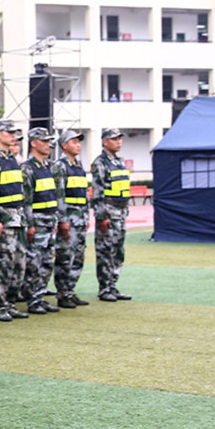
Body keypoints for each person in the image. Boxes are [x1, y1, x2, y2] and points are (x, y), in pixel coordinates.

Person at [0, 119, 29, 322]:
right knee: (2, 263)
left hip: (18, 218)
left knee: (18, 263)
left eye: (14, 133)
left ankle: (10, 303)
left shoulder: (12, 158)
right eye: (9, 132)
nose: (13, 136)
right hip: (4, 218)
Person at [20, 128, 61, 314]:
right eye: (44, 141)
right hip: (37, 222)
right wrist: (30, 225)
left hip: (49, 221)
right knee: (34, 263)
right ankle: (33, 299)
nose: (48, 145)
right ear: (33, 143)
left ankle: (40, 295)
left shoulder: (48, 167)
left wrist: (56, 220)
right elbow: (26, 200)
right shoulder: (28, 168)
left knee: (47, 262)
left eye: (48, 141)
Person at [91, 128, 132, 302]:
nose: (119, 142)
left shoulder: (118, 162)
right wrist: (102, 216)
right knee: (106, 252)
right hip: (109, 213)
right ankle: (104, 288)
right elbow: (98, 192)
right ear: (105, 142)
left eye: (120, 139)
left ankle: (112, 285)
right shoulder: (100, 163)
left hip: (120, 213)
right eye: (114, 139)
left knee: (118, 252)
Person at [52, 129, 91, 308]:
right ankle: (62, 293)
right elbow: (59, 194)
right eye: (73, 142)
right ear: (64, 145)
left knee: (78, 257)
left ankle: (70, 290)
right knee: (65, 256)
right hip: (69, 218)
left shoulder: (78, 165)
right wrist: (63, 219)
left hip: (80, 218)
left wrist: (87, 215)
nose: (78, 145)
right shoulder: (60, 166)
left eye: (78, 142)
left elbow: (84, 193)